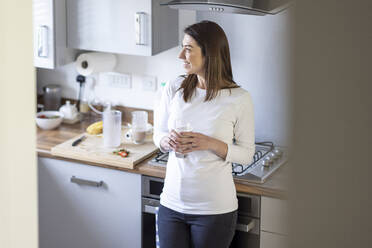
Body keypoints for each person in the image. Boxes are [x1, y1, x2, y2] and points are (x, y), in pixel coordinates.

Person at [153, 20, 255, 248]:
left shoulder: (239, 99)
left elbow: (247, 154)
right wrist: (165, 140)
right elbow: (157, 133)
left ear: (210, 53)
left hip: (214, 211)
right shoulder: (175, 87)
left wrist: (210, 143)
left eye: (188, 48)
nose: (181, 55)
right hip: (171, 204)